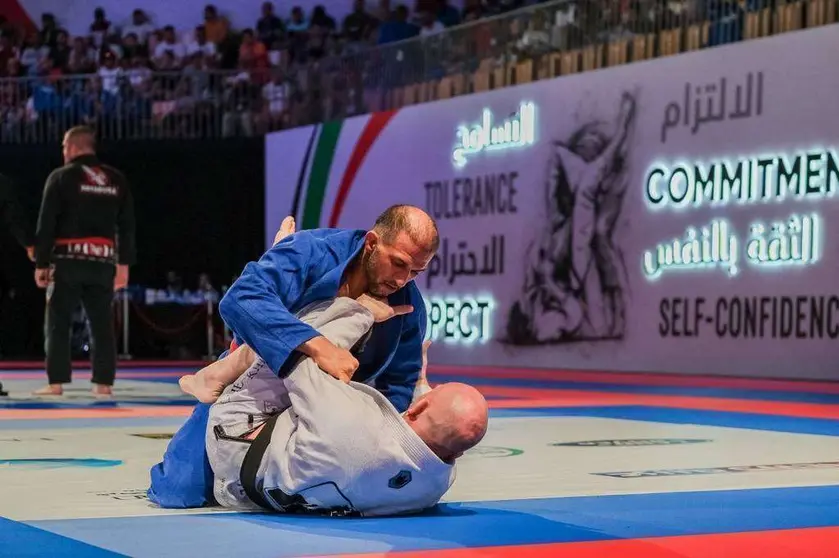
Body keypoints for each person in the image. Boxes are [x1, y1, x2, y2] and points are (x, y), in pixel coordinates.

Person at [147, 207, 440, 508]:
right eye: (398, 264)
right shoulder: (313, 251)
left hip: (324, 411)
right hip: (252, 387)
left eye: (416, 271)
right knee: (179, 491)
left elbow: (397, 387)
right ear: (371, 243)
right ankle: (233, 359)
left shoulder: (408, 306)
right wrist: (319, 346)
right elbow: (238, 299)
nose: (403, 280)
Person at [190, 294, 487, 517]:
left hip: (238, 441)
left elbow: (302, 358)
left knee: (305, 328)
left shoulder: (352, 424)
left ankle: (221, 369)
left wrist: (361, 313)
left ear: (420, 408)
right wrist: (420, 379)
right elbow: (433, 434)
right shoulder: (436, 484)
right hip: (284, 486)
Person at [32, 126, 136, 397]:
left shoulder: (61, 177)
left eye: (65, 146)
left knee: (57, 321)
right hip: (102, 262)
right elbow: (126, 227)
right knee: (101, 323)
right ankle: (103, 384)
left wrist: (41, 263)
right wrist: (123, 265)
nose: (63, 152)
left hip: (67, 261)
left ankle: (55, 384)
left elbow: (46, 224)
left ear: (75, 147)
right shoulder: (116, 179)